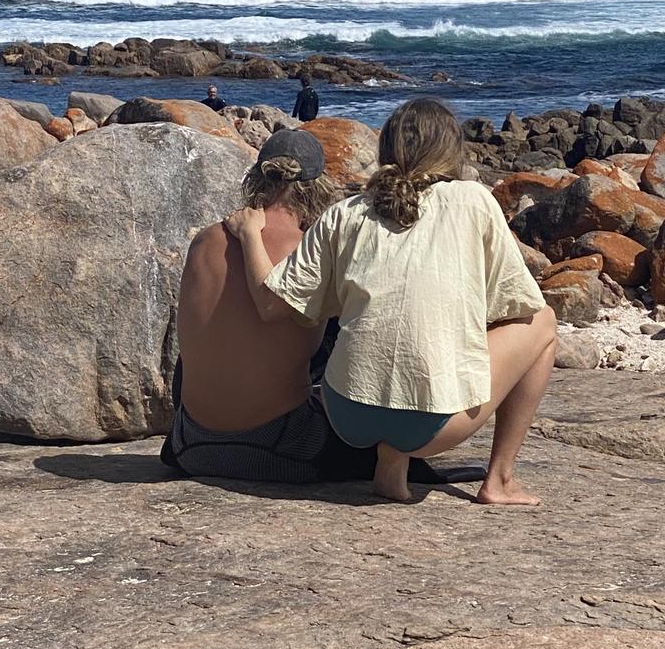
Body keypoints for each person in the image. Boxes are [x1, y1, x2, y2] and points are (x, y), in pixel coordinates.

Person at [225, 98, 558, 504]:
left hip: (346, 413)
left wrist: (248, 236)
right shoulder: (472, 200)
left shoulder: (344, 213)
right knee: (543, 321)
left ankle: (391, 461)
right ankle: (500, 479)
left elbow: (271, 305)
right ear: (449, 152)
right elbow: (517, 304)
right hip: (432, 424)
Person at [161, 127, 483, 488]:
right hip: (280, 451)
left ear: (257, 179)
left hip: (191, 447)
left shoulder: (205, 240)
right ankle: (408, 467)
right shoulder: (310, 249)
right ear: (316, 188)